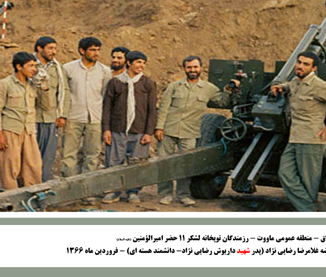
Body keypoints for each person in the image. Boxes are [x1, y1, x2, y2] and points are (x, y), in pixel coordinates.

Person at [271, 52, 326, 212]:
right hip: (295, 138)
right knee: (285, 174)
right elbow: (290, 87)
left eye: (306, 64)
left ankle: (309, 214)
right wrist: (282, 87)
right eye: (299, 62)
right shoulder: (296, 81)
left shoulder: (319, 85)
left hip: (311, 139)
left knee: (309, 183)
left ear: (314, 68)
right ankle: (311, 210)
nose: (300, 66)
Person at [155, 55, 237, 206]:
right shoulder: (174, 86)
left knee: (186, 165)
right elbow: (163, 108)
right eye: (189, 67)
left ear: (200, 68)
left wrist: (228, 90)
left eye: (195, 67)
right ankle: (165, 194)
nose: (192, 70)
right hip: (169, 130)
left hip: (190, 132)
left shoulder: (209, 88)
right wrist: (159, 127)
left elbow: (223, 102)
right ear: (184, 69)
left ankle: (183, 195)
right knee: (163, 163)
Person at [101, 51, 156, 204]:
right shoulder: (116, 82)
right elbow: (107, 107)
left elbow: (152, 110)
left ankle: (133, 192)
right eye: (138, 62)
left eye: (143, 63)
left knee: (137, 164)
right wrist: (106, 129)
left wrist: (148, 132)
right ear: (129, 63)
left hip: (139, 131)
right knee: (114, 162)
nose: (141, 65)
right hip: (117, 130)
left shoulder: (148, 83)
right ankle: (114, 191)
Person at [0, 52, 47, 189]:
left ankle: (33, 195)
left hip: (29, 131)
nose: (34, 69)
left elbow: (46, 106)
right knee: (10, 167)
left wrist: (44, 87)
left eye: (35, 66)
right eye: (30, 66)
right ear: (19, 67)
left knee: (33, 166)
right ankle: (11, 196)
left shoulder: (33, 85)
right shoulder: (5, 84)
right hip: (11, 130)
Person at [62, 37, 111, 177]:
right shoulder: (68, 69)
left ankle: (88, 188)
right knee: (69, 155)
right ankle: (70, 186)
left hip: (95, 118)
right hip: (73, 117)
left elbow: (105, 95)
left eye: (98, 50)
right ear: (82, 51)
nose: (96, 53)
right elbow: (64, 93)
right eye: (92, 50)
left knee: (92, 155)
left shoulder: (105, 71)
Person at [31, 36, 70, 182]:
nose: (54, 52)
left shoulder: (57, 68)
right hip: (32, 118)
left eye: (55, 48)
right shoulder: (29, 64)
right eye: (50, 48)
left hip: (51, 118)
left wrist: (63, 115)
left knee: (48, 156)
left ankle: (43, 186)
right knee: (30, 156)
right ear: (40, 48)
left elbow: (64, 91)